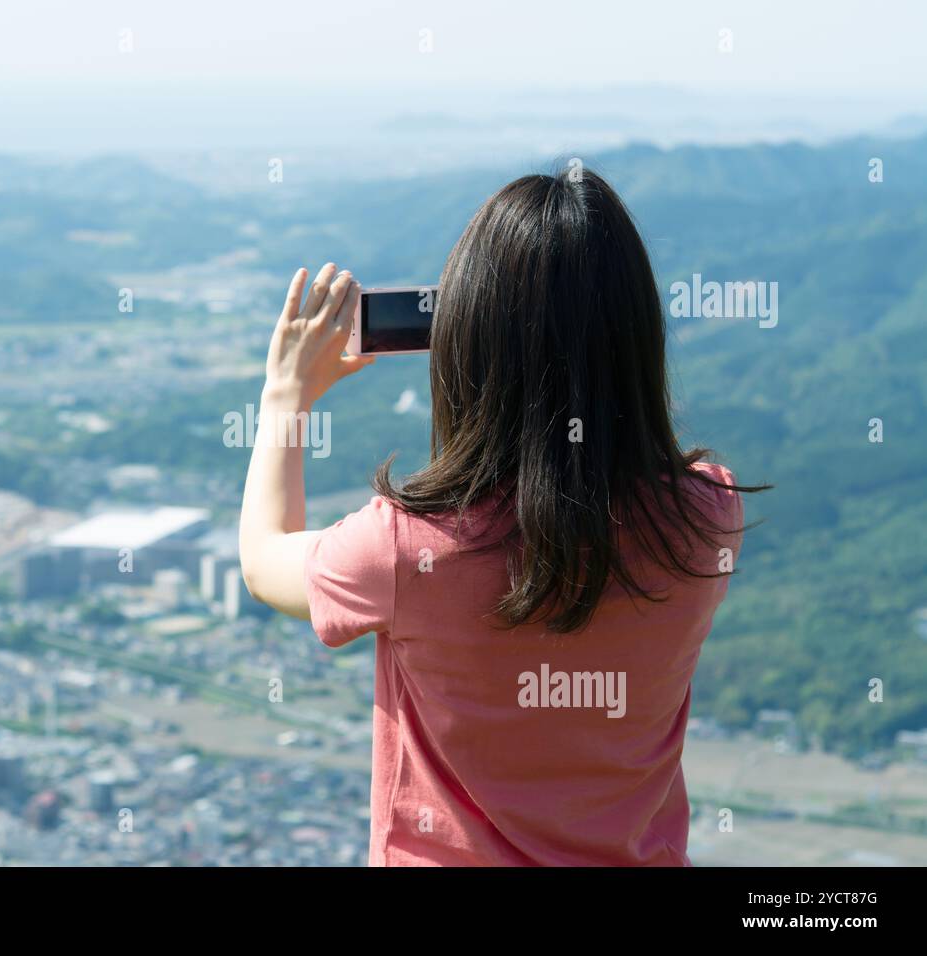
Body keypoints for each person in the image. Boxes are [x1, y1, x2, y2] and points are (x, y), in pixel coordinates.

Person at [238, 169, 766, 866]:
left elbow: (262, 556)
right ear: (639, 339)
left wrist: (285, 398)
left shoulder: (401, 551)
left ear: (463, 344)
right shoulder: (705, 521)